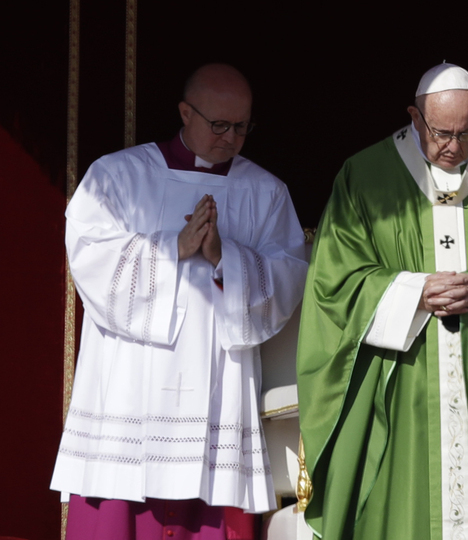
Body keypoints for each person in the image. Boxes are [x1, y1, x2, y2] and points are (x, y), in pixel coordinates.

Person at [296, 63, 468, 539]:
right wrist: (412, 291)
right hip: (402, 385)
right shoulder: (366, 176)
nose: (454, 146)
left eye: (466, 131)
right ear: (415, 118)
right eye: (441, 132)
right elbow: (335, 278)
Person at [50, 63, 310, 538]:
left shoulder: (266, 192)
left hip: (219, 386)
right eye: (218, 125)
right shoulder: (116, 176)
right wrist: (173, 247)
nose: (230, 138)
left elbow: (287, 278)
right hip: (132, 386)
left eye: (241, 127)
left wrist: (223, 257)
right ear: (185, 112)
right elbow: (89, 258)